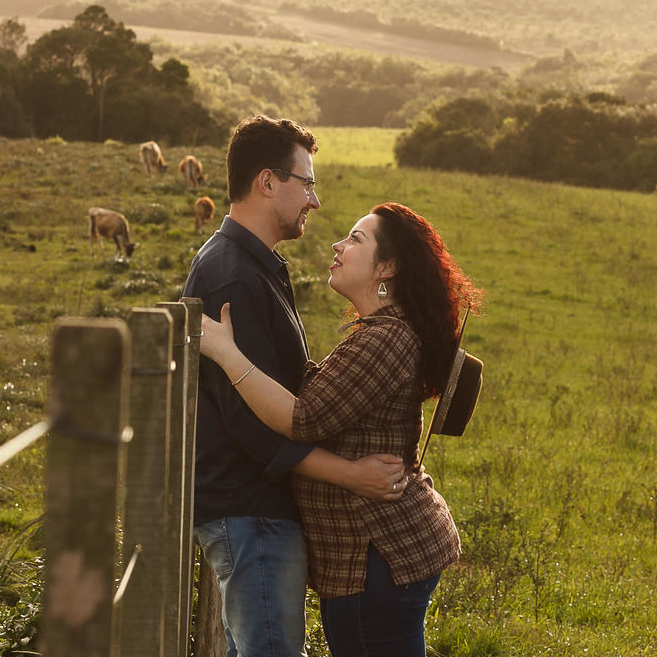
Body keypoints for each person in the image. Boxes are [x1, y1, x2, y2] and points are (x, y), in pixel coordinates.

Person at [199, 201, 479, 657]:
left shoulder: (385, 339)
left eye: (355, 239)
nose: (337, 244)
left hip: (377, 555)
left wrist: (227, 354)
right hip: (372, 557)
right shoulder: (379, 333)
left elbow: (301, 419)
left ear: (386, 267)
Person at [184, 115, 409, 657]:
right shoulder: (234, 275)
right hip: (251, 509)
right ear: (267, 182)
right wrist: (350, 474)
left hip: (257, 511)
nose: (315, 200)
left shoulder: (255, 266)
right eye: (306, 183)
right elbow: (251, 425)